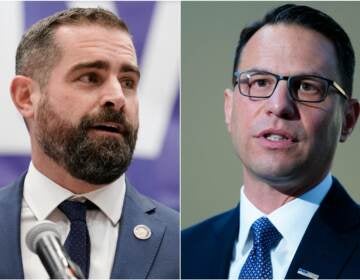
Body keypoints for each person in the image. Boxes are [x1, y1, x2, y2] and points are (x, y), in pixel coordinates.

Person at [182, 4, 360, 279]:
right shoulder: (183, 252)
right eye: (260, 82)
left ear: (348, 119)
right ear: (229, 109)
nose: (278, 105)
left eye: (307, 86)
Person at [0, 7, 179, 279]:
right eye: (90, 78)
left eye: (128, 82)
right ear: (26, 96)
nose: (118, 97)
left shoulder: (183, 244)